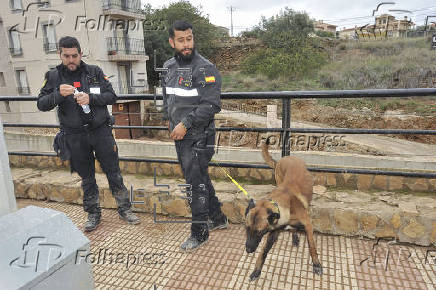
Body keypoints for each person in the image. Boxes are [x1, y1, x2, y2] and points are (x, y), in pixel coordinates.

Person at [37, 36, 140, 231]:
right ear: (60, 55)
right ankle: (93, 213)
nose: (71, 60)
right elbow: (41, 104)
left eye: (74, 55)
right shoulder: (53, 77)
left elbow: (111, 96)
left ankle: (125, 209)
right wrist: (59, 94)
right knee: (87, 178)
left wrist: (90, 98)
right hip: (74, 136)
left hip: (100, 132)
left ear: (80, 54)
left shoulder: (94, 72)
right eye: (66, 56)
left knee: (114, 173)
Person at [162, 20, 228, 251]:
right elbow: (168, 98)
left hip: (199, 136)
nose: (186, 44)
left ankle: (199, 232)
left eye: (189, 39)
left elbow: (211, 105)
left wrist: (185, 124)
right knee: (200, 178)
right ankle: (218, 217)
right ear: (172, 42)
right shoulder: (169, 67)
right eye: (181, 40)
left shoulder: (205, 68)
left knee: (194, 185)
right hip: (180, 136)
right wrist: (168, 121)